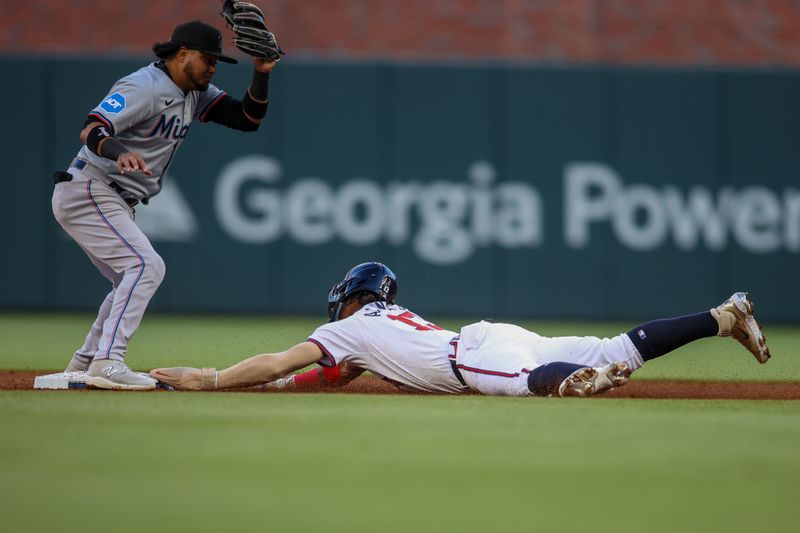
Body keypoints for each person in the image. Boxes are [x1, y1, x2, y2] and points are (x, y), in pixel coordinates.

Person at [151, 262, 771, 397]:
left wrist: (211, 378)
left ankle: (579, 383)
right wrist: (282, 387)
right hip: (492, 335)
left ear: (349, 298)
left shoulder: (345, 327)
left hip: (470, 356)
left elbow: (281, 360)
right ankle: (723, 316)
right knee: (614, 346)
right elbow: (324, 377)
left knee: (522, 382)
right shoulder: (372, 331)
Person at [52, 20, 277, 390]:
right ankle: (108, 360)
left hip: (114, 197)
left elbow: (246, 119)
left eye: (217, 62)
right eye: (209, 59)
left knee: (130, 276)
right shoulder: (144, 86)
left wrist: (261, 73)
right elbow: (92, 128)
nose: (214, 67)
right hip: (89, 188)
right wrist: (119, 152)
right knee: (145, 265)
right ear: (183, 53)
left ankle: (84, 362)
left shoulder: (194, 92)